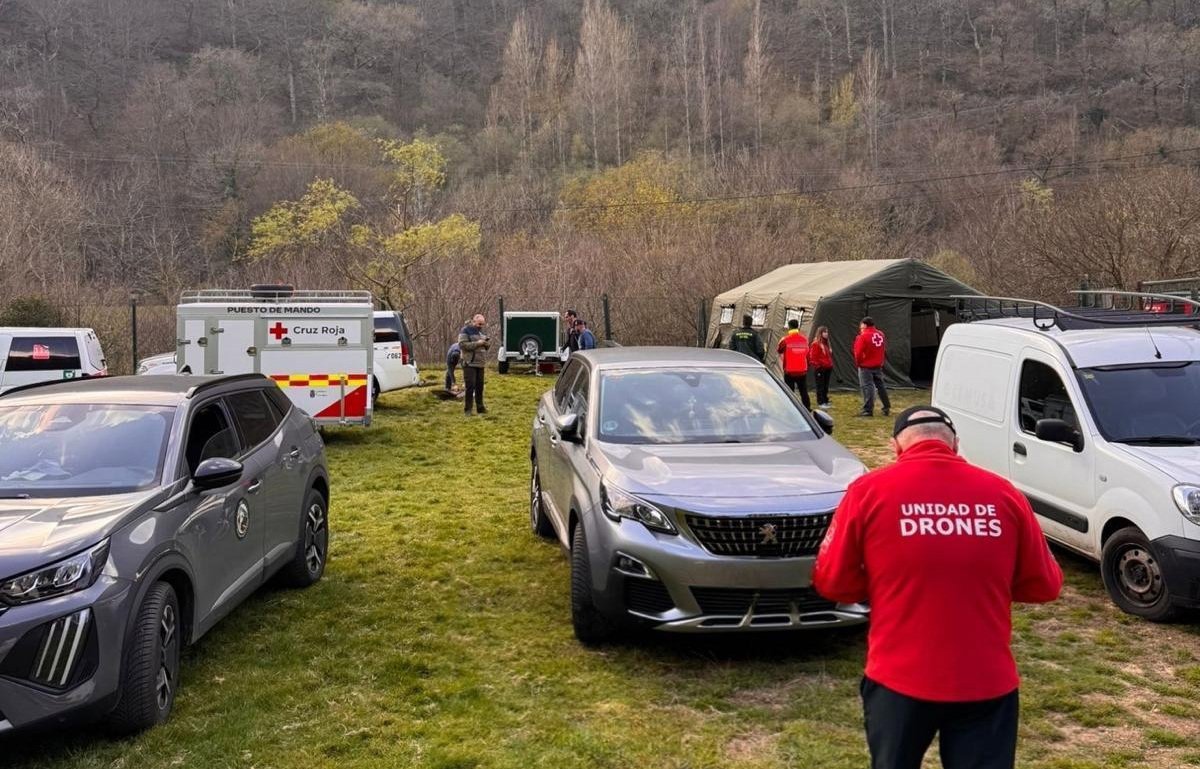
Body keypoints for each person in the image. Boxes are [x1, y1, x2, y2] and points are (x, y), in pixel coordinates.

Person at [812, 406, 1063, 769]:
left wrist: (886, 582)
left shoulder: (867, 492)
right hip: (985, 681)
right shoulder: (1004, 494)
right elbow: (1045, 585)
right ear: (956, 445)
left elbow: (832, 581)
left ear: (896, 448)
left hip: (898, 679)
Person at [854, 316, 891, 417]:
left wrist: (859, 363)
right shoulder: (880, 334)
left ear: (865, 325)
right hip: (878, 365)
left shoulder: (863, 336)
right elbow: (883, 348)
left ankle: (867, 410)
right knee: (881, 386)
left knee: (867, 387)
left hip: (866, 366)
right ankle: (886, 406)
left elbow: (858, 352)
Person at [776, 318, 811, 410]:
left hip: (789, 370)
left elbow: (779, 349)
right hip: (802, 370)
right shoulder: (804, 339)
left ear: (789, 327)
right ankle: (807, 407)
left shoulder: (785, 340)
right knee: (803, 390)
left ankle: (791, 408)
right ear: (798, 327)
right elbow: (808, 354)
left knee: (790, 391)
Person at [458, 314, 490, 415]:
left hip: (480, 363)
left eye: (482, 324)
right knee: (470, 387)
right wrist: (478, 343)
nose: (481, 326)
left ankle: (480, 408)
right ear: (474, 321)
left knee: (480, 387)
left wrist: (486, 343)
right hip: (469, 363)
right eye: (479, 324)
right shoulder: (465, 331)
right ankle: (468, 410)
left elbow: (485, 346)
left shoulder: (480, 332)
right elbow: (462, 345)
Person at [809, 325, 834, 408]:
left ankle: (825, 400)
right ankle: (820, 402)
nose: (826, 334)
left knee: (825, 385)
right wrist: (818, 366)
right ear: (820, 333)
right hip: (820, 368)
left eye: (827, 332)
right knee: (820, 385)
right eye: (824, 332)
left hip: (828, 368)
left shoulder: (826, 344)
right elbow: (813, 357)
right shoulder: (816, 344)